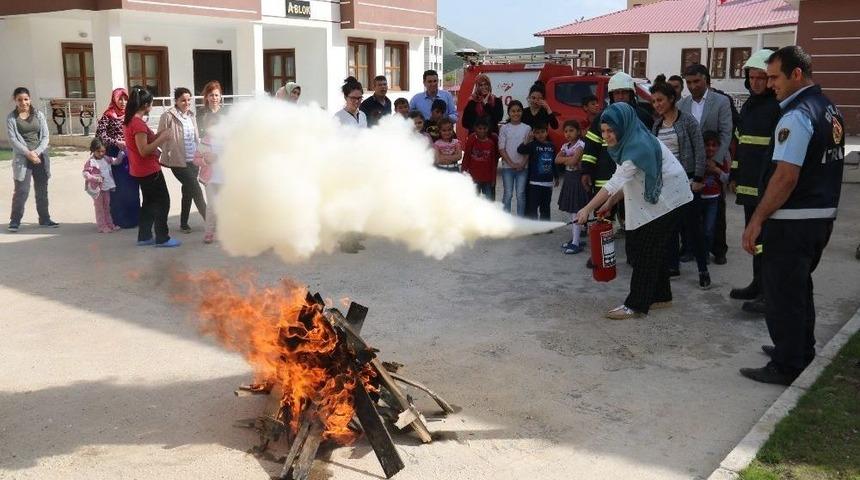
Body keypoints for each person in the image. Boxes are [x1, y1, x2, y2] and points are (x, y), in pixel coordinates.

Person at [739, 46, 845, 385]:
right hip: (818, 217)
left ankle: (787, 364)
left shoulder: (797, 115)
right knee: (799, 289)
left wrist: (757, 219)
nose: (770, 85)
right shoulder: (828, 108)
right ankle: (800, 349)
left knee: (783, 294)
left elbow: (785, 176)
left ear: (796, 74)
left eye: (774, 77)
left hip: (792, 221)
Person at [576, 103, 693, 320]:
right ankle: (661, 295)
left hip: (671, 199)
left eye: (611, 131)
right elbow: (628, 178)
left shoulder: (637, 147)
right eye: (603, 131)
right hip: (662, 197)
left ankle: (636, 305)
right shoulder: (632, 138)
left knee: (643, 250)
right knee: (650, 248)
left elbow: (616, 180)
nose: (606, 136)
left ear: (623, 126)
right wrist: (610, 202)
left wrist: (587, 208)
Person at [728, 49, 782, 315]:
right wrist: (735, 174)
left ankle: (768, 295)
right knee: (755, 240)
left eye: (762, 77)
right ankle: (757, 284)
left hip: (767, 188)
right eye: (753, 77)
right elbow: (741, 144)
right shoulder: (749, 105)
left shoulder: (778, 108)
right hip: (749, 187)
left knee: (768, 241)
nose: (758, 82)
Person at [581, 72, 653, 268]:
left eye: (624, 93)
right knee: (602, 217)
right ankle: (598, 254)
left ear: (632, 94)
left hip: (633, 177)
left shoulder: (643, 117)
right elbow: (591, 146)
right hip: (605, 176)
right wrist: (586, 170)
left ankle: (633, 255)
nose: (620, 96)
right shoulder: (601, 118)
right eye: (616, 93)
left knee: (632, 219)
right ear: (610, 96)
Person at [650, 76, 711, 289]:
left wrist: (698, 178)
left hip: (688, 180)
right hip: (666, 184)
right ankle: (673, 265)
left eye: (660, 100)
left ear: (671, 98)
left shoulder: (687, 121)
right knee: (670, 228)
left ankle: (703, 269)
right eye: (654, 101)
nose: (657, 104)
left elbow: (700, 151)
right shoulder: (656, 126)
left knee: (694, 228)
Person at [678, 64, 733, 265]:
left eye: (696, 81)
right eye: (689, 82)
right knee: (689, 208)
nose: (692, 86)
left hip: (714, 163)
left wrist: (715, 160)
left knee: (716, 208)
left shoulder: (721, 102)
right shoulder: (682, 105)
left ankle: (718, 249)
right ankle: (689, 247)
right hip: (690, 165)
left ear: (706, 80)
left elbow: (726, 132)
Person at [123, 86, 179, 247]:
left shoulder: (131, 121)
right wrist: (162, 139)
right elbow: (144, 150)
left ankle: (145, 236)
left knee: (148, 203)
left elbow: (146, 141)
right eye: (151, 103)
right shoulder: (137, 124)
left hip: (140, 170)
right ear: (146, 105)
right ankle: (162, 237)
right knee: (163, 202)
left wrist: (160, 134)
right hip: (148, 170)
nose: (152, 107)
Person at [6, 87, 57, 232]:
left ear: (30, 99)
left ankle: (45, 219)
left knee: (42, 189)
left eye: (26, 99)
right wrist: (28, 154)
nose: (23, 102)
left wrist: (36, 152)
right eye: (20, 100)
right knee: (21, 190)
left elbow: (45, 136)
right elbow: (13, 140)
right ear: (15, 101)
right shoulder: (11, 118)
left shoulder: (38, 115)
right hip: (23, 159)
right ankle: (15, 221)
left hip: (40, 157)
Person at [158, 87, 206, 234]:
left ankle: (183, 223)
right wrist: (169, 150)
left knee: (188, 191)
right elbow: (159, 137)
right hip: (178, 162)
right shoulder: (168, 116)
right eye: (183, 100)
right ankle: (211, 222)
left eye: (188, 100)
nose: (186, 103)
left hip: (193, 160)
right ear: (176, 101)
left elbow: (195, 137)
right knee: (196, 190)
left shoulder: (191, 115)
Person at [95, 87, 140, 229]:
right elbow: (100, 135)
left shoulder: (131, 115)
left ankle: (134, 218)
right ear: (114, 100)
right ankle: (119, 219)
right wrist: (116, 142)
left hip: (130, 155)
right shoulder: (108, 115)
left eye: (125, 99)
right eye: (120, 99)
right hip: (114, 156)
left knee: (132, 186)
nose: (123, 102)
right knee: (119, 187)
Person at [555, 120, 587, 254]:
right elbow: (556, 160)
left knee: (575, 210)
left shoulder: (581, 145)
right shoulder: (565, 146)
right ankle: (576, 238)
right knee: (569, 209)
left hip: (577, 179)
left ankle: (575, 242)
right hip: (568, 178)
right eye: (566, 131)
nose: (568, 134)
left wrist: (567, 160)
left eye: (571, 130)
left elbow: (574, 161)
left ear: (578, 132)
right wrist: (570, 160)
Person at [82, 138, 124, 233]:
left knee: (107, 206)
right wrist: (94, 178)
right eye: (98, 151)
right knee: (99, 207)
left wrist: (122, 153)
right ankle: (101, 226)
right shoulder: (91, 162)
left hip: (106, 187)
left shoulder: (106, 158)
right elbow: (85, 173)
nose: (101, 153)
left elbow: (116, 161)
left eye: (103, 151)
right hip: (97, 189)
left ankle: (109, 224)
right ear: (93, 150)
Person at [518, 122, 557, 220]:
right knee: (533, 206)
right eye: (537, 133)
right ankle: (534, 226)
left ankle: (546, 226)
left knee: (546, 206)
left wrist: (556, 177)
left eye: (542, 132)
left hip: (548, 183)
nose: (540, 135)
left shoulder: (552, 146)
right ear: (534, 134)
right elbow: (520, 150)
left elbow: (554, 163)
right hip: (534, 183)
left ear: (547, 133)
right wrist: (527, 139)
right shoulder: (532, 145)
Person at [498, 100, 531, 216]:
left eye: (518, 111)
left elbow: (528, 149)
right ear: (509, 113)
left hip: (523, 168)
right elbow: (502, 148)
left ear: (522, 112)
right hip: (508, 167)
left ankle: (520, 220)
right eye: (513, 111)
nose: (516, 113)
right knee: (507, 194)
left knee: (521, 194)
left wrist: (522, 163)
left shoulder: (527, 128)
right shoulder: (504, 128)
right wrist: (511, 163)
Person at [702, 131, 730, 259]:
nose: (711, 148)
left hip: (714, 199)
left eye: (714, 145)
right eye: (707, 145)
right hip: (699, 198)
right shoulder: (699, 159)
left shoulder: (720, 161)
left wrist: (716, 170)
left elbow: (726, 179)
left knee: (709, 228)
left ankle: (707, 251)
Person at [193, 135, 224, 244]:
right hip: (210, 180)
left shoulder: (229, 139)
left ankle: (224, 231)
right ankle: (209, 233)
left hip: (226, 180)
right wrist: (205, 160)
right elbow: (195, 160)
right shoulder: (205, 142)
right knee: (211, 206)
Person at [462, 116, 499, 200]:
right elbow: (466, 156)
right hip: (474, 177)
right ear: (475, 128)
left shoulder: (491, 143)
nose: (482, 131)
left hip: (487, 179)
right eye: (479, 128)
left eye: (484, 128)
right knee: (473, 201)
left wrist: (493, 179)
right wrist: (463, 172)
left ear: (488, 128)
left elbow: (494, 162)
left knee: (489, 202)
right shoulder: (471, 139)